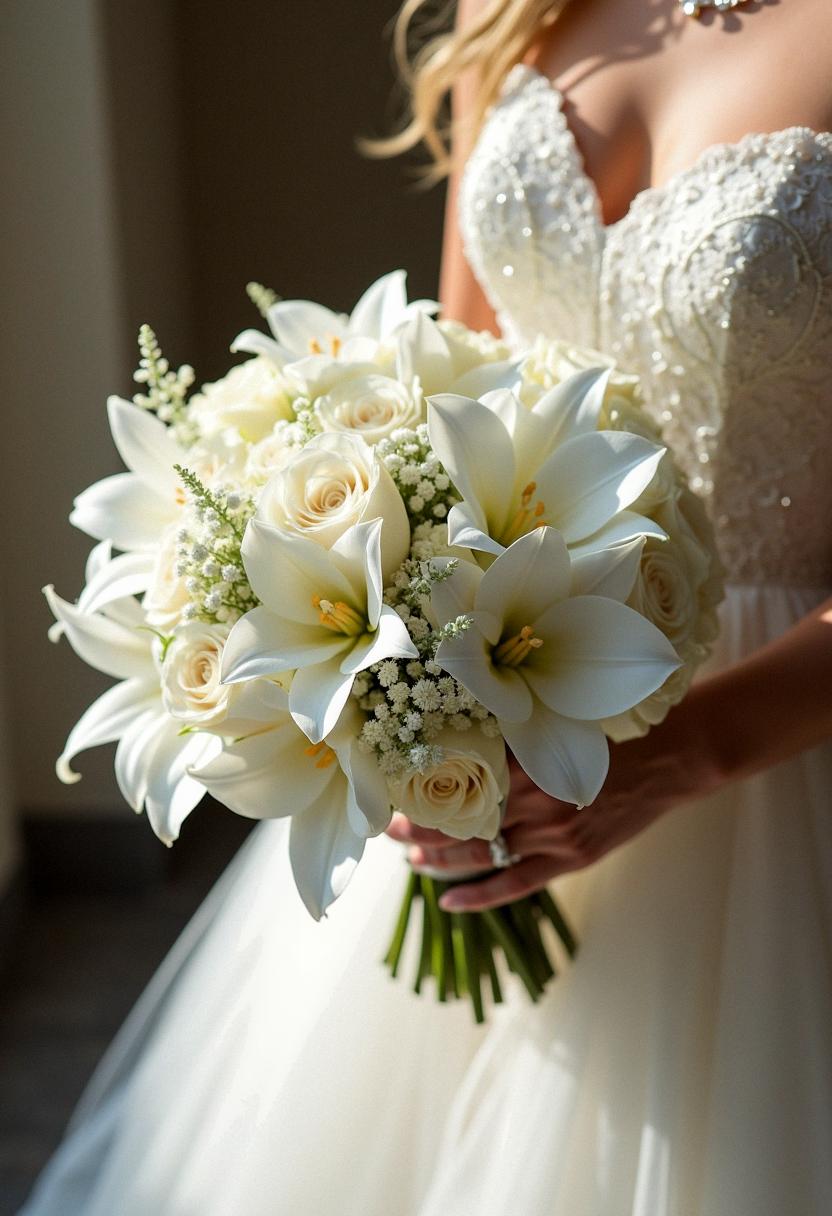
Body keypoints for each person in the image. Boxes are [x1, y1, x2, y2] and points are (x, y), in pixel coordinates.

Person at [20, 0, 832, 1212]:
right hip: (509, 688)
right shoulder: (514, 17)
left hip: (780, 758)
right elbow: (453, 384)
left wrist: (687, 751)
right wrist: (410, 698)